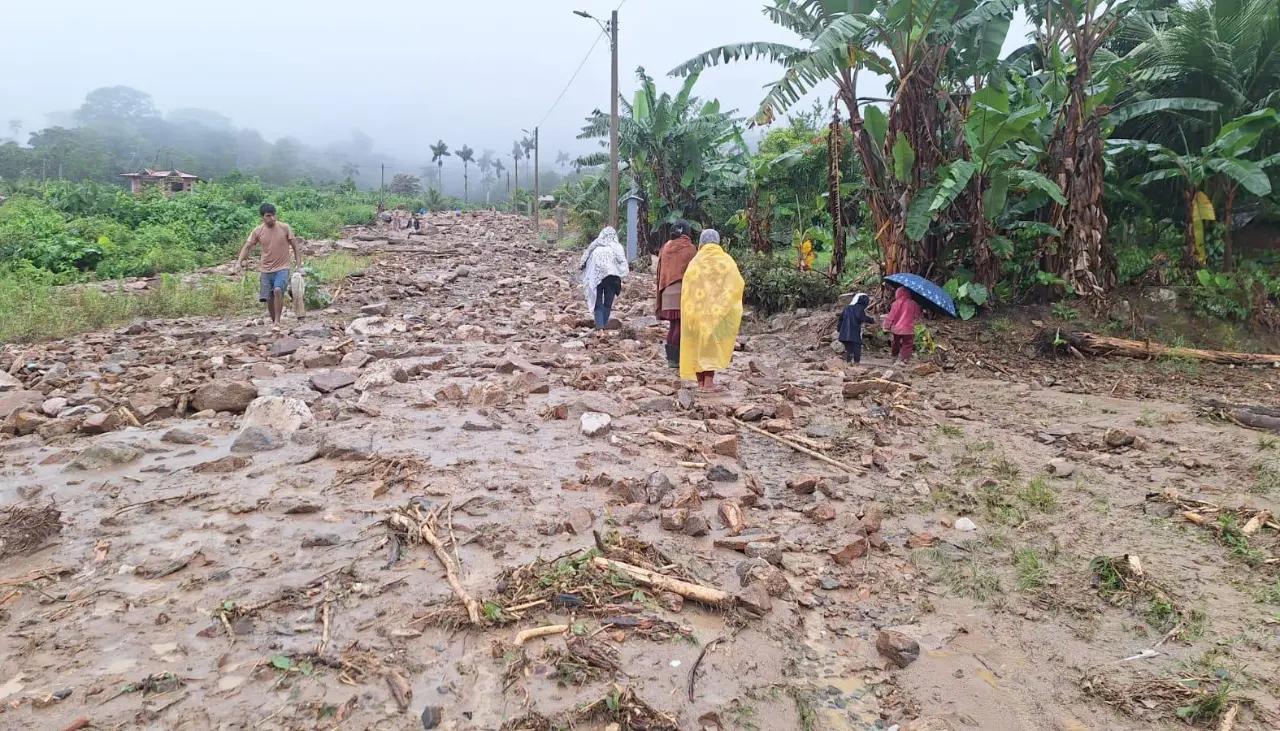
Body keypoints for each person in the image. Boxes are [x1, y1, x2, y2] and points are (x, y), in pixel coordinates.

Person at [680, 229, 744, 391]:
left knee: (696, 345)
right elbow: (737, 283)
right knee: (710, 346)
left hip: (695, 313)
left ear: (701, 242)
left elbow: (687, 287)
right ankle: (709, 382)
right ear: (717, 242)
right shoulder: (726, 260)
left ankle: (700, 383)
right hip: (717, 313)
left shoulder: (695, 262)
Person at [236, 203, 302, 328]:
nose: (272, 218)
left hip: (283, 267)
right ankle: (274, 322)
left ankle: (277, 320)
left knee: (278, 290)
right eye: (268, 216)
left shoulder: (284, 228)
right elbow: (247, 247)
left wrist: (299, 266)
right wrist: (238, 263)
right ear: (262, 217)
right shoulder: (257, 231)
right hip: (265, 269)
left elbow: (295, 247)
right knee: (269, 298)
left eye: (273, 215)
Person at [655, 220, 697, 368]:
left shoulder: (665, 248)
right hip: (682, 292)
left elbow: (660, 271)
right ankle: (677, 360)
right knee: (680, 326)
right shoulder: (691, 249)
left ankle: (672, 359)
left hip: (666, 292)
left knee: (673, 325)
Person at [580, 226, 629, 337]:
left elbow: (585, 259)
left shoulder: (595, 246)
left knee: (598, 304)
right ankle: (602, 328)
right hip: (612, 278)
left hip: (597, 278)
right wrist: (620, 272)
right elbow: (622, 262)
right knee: (607, 304)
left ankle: (599, 329)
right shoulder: (617, 247)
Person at [883, 286, 922, 364]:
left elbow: (891, 316)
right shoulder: (913, 303)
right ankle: (904, 360)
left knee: (895, 343)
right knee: (907, 344)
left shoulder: (895, 303)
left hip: (897, 328)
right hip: (909, 328)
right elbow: (917, 317)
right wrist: (917, 324)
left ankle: (894, 357)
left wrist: (886, 326)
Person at [839, 292, 874, 364]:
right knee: (857, 348)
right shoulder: (859, 308)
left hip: (844, 332)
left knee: (849, 349)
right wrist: (872, 320)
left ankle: (848, 362)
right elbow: (861, 317)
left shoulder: (847, 307)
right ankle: (856, 363)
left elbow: (841, 319)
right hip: (854, 332)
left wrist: (839, 329)